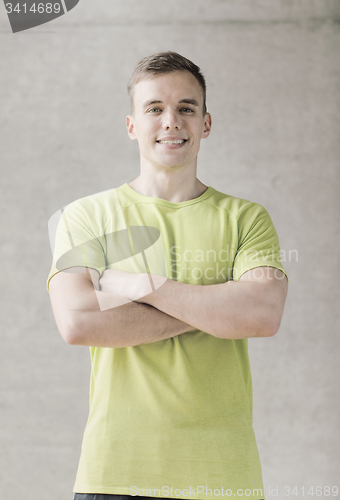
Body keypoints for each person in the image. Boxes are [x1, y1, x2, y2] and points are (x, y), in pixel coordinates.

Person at [47, 51, 288, 500]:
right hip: (115, 473)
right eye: (155, 109)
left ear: (206, 123)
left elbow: (263, 314)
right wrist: (217, 306)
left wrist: (146, 288)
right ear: (132, 125)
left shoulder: (247, 219)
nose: (171, 121)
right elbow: (79, 322)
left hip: (223, 475)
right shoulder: (86, 217)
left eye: (186, 108)